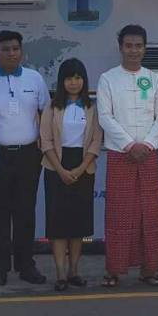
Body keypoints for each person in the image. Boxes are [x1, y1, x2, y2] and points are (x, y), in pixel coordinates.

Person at [96, 24, 158, 288]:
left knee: (150, 214)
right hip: (120, 155)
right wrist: (129, 145)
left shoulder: (155, 79)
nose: (133, 51)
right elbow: (105, 117)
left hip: (148, 154)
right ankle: (114, 270)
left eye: (138, 46)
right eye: (129, 46)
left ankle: (150, 270)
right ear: (120, 48)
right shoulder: (107, 79)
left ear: (145, 48)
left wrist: (147, 144)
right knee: (119, 214)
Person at [0, 31, 51, 286]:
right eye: (6, 49)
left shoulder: (34, 78)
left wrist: (44, 144)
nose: (11, 53)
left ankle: (25, 265)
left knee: (25, 212)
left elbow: (46, 113)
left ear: (22, 52)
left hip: (28, 155)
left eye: (16, 49)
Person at [39, 58, 103, 291]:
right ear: (61, 81)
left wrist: (80, 168)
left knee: (78, 223)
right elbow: (45, 140)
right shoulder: (52, 107)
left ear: (84, 80)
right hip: (55, 167)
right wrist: (61, 169)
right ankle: (60, 274)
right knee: (58, 224)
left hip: (83, 167)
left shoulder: (92, 108)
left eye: (78, 78)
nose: (74, 83)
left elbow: (96, 140)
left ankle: (74, 271)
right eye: (69, 78)